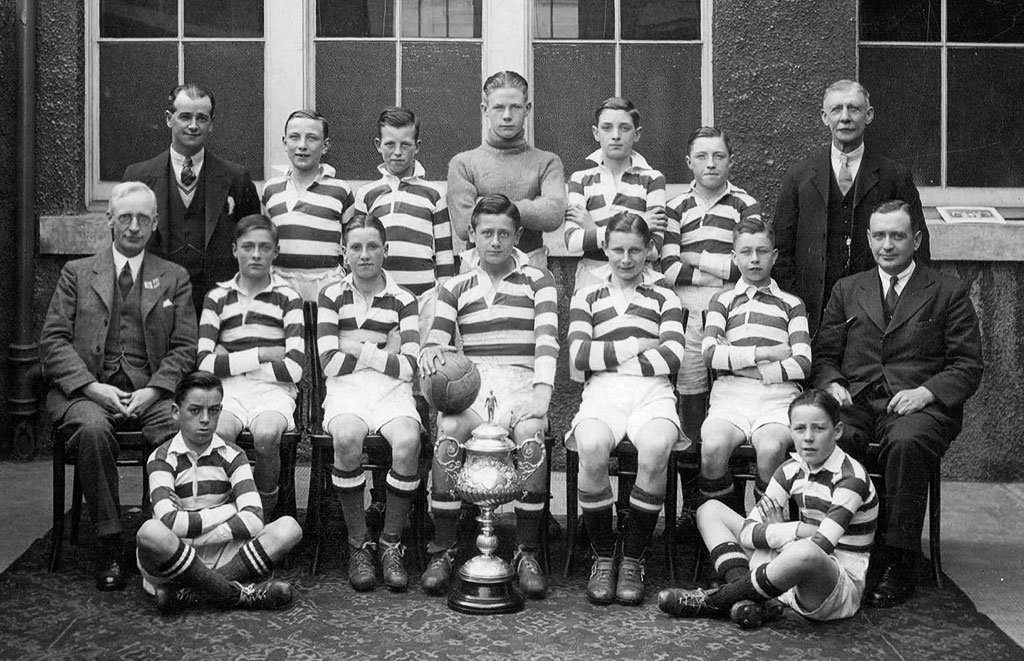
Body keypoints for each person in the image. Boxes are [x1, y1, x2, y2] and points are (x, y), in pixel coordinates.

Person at [811, 199, 982, 607]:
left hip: (918, 405)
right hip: (857, 400)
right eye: (880, 236)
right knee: (833, 439)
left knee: (906, 444)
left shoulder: (947, 291)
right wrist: (833, 384)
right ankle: (838, 547)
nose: (888, 245)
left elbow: (967, 364)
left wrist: (926, 392)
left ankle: (897, 559)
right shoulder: (848, 289)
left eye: (898, 236)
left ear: (916, 239)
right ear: (869, 239)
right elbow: (824, 356)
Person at [39, 181, 197, 591]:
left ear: (155, 223)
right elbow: (52, 342)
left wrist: (156, 390)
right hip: (88, 392)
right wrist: (92, 388)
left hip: (152, 391)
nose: (132, 227)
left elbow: (184, 347)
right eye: (124, 217)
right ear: (109, 219)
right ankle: (108, 542)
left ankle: (163, 538)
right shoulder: (76, 274)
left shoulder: (173, 277)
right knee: (93, 431)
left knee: (181, 432)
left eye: (142, 219)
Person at [418, 194, 558, 599]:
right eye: (486, 233)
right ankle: (444, 549)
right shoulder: (454, 286)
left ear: (516, 236)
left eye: (503, 233)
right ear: (472, 236)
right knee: (449, 429)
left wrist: (542, 394)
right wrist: (431, 350)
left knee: (532, 434)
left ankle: (526, 552)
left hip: (523, 380)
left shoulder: (539, 280)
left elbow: (547, 341)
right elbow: (438, 342)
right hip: (475, 383)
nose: (495, 241)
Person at [658, 389, 877, 629]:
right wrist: (798, 529)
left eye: (819, 428)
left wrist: (783, 530)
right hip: (787, 562)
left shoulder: (850, 478)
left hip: (832, 586)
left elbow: (821, 546)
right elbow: (747, 533)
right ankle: (749, 600)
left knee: (806, 551)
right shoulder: (791, 469)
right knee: (709, 510)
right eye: (800, 429)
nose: (808, 437)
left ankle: (716, 600)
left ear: (837, 431)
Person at [567, 212, 686, 606]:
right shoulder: (588, 295)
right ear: (605, 248)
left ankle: (633, 558)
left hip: (653, 392)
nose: (626, 259)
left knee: (654, 450)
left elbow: (672, 358)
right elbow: (580, 356)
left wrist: (609, 356)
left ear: (649, 250)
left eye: (635, 250)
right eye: (617, 249)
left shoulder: (665, 296)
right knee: (592, 446)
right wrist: (639, 343)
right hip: (603, 393)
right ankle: (603, 556)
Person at [136, 372, 302, 613]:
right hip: (175, 555)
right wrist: (230, 509)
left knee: (289, 528)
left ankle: (192, 593)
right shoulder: (162, 458)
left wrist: (191, 522)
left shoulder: (232, 455)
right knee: (150, 532)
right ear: (175, 412)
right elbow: (170, 523)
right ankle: (240, 595)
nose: (205, 419)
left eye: (213, 411)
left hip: (225, 553)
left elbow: (255, 521)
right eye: (194, 411)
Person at [317, 215, 422, 593]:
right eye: (356, 247)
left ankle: (391, 542)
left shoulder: (404, 299)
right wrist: (382, 350)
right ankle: (359, 544)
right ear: (344, 252)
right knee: (346, 437)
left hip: (391, 389)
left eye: (373, 246)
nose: (365, 255)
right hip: (345, 388)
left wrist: (356, 347)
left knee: (408, 441)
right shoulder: (330, 294)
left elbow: (408, 367)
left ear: (386, 250)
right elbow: (328, 362)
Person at [773, 79, 930, 334]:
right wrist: (797, 305)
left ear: (868, 115)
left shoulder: (894, 176)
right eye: (836, 110)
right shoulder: (799, 176)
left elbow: (920, 249)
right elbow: (781, 250)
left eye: (854, 109)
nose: (845, 117)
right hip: (813, 313)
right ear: (825, 117)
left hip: (876, 314)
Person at [697, 219, 811, 510]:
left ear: (774, 256)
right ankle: (727, 526)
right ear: (734, 257)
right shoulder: (723, 301)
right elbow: (710, 354)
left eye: (762, 251)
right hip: (730, 396)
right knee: (712, 447)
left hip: (777, 397)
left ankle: (764, 531)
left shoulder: (791, 304)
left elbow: (802, 363)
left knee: (771, 449)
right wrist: (770, 352)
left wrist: (736, 359)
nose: (754, 258)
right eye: (746, 251)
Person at [196, 214, 305, 518]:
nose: (256, 254)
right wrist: (262, 353)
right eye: (247, 247)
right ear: (235, 250)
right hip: (228, 391)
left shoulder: (289, 298)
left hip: (273, 391)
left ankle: (262, 514)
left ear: (275, 251)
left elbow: (294, 368)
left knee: (267, 434)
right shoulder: (217, 297)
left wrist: (229, 360)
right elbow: (204, 363)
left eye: (264, 247)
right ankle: (223, 511)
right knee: (219, 431)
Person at [661, 126, 762, 443]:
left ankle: (721, 487)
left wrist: (696, 257)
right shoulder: (675, 206)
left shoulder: (746, 205)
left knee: (728, 395)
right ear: (688, 161)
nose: (710, 164)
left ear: (731, 161)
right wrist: (722, 268)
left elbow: (748, 266)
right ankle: (693, 491)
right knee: (691, 398)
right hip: (688, 313)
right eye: (702, 156)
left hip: (731, 312)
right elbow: (669, 269)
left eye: (719, 156)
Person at [123, 83, 261, 313]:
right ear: (169, 119)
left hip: (219, 304)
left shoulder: (236, 178)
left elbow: (253, 239)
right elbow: (123, 241)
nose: (194, 126)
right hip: (156, 301)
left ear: (212, 123)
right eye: (185, 117)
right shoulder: (138, 176)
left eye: (202, 118)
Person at [353, 106, 455, 341]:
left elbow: (444, 253)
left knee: (423, 364)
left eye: (405, 145)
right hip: (382, 297)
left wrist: (443, 301)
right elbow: (356, 245)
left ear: (417, 146)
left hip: (424, 298)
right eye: (390, 144)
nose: (397, 152)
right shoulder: (367, 194)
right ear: (378, 144)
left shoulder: (434, 194)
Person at [447, 71, 566, 269]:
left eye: (515, 107)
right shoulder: (463, 163)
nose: (507, 116)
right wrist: (531, 207)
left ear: (527, 109)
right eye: (499, 108)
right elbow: (463, 225)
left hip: (531, 268)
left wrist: (487, 205)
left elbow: (553, 214)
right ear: (485, 109)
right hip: (478, 270)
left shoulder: (547, 162)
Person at [564, 97, 667, 293]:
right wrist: (640, 222)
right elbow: (572, 241)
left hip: (637, 278)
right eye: (607, 128)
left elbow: (653, 250)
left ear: (637, 134)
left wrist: (593, 229)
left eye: (624, 128)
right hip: (591, 278)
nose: (616, 135)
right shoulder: (580, 179)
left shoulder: (652, 179)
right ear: (596, 133)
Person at [262, 109, 356, 301]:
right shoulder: (271, 190)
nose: (302, 146)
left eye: (312, 138)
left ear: (325, 145)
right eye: (294, 137)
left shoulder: (340, 191)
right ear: (284, 142)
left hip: (326, 287)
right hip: (281, 286)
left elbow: (351, 242)